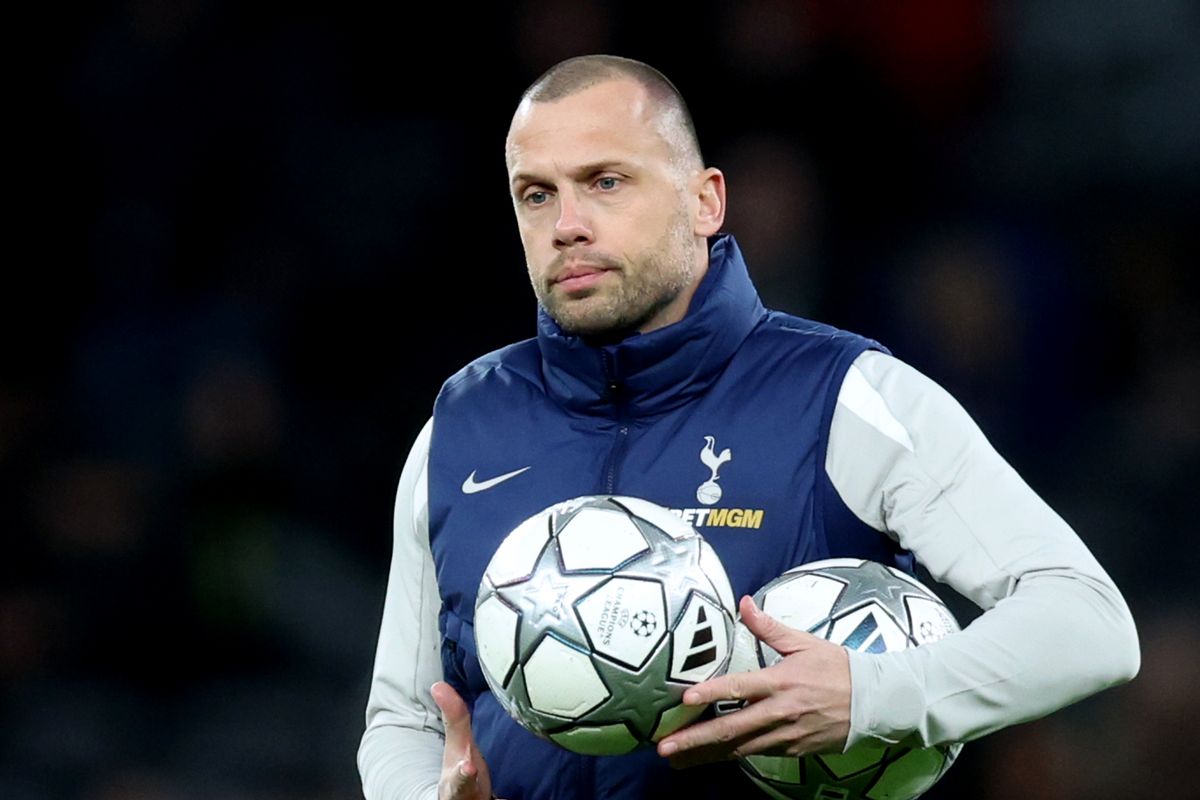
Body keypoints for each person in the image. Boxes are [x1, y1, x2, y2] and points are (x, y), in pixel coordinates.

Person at [357, 55, 1140, 800]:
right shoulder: (461, 427)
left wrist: (872, 695)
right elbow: (403, 719)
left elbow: (1089, 624)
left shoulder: (848, 396)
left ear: (705, 201)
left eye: (605, 182)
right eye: (536, 194)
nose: (566, 224)